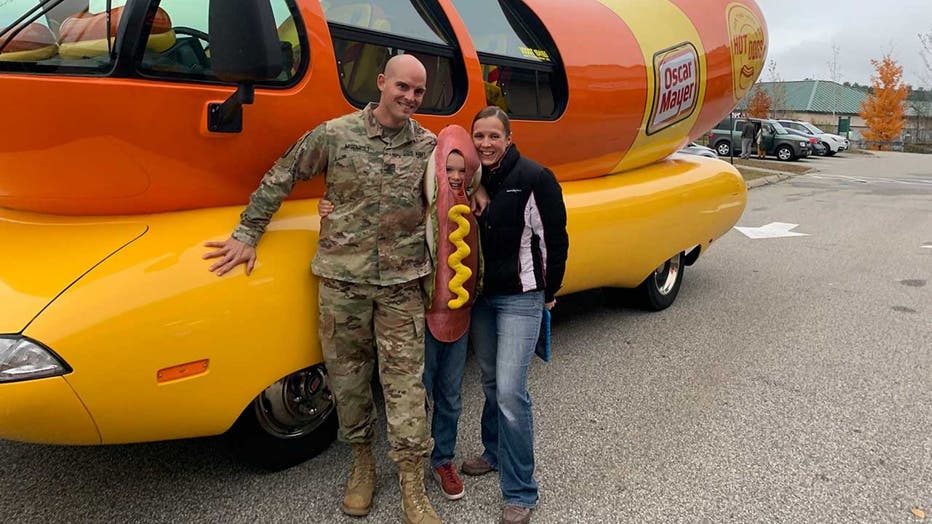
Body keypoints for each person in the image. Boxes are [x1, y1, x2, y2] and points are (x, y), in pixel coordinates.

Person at [203, 54, 442, 524]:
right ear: (381, 83)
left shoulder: (429, 147)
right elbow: (283, 174)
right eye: (402, 87)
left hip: (401, 287)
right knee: (349, 385)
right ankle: (362, 465)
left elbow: (459, 184)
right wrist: (247, 233)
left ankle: (413, 481)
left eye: (418, 91)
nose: (410, 98)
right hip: (343, 284)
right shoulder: (335, 134)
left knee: (406, 389)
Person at [319, 126, 484, 503]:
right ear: (437, 170)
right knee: (413, 396)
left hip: (459, 317)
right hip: (419, 315)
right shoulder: (418, 204)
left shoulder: (474, 203)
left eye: (463, 171)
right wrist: (328, 205)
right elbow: (371, 203)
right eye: (450, 170)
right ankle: (408, 466)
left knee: (451, 395)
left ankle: (443, 460)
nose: (456, 177)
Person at [459, 106, 569, 524]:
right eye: (479, 137)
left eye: (493, 136)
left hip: (522, 297)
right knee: (490, 381)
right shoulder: (472, 176)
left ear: (509, 137)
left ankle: (521, 491)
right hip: (483, 298)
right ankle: (493, 451)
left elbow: (555, 239)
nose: (485, 144)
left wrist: (549, 291)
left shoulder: (535, 178)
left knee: (510, 390)